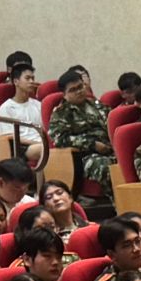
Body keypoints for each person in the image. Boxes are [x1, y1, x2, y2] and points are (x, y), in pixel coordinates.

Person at [48, 70, 116, 211]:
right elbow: (60, 139)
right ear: (64, 94)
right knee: (106, 166)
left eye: (80, 87)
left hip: (109, 150)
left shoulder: (98, 105)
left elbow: (113, 126)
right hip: (82, 157)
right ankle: (119, 205)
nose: (79, 91)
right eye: (73, 90)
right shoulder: (61, 113)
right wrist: (92, 144)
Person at [0, 66, 47, 166]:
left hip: (40, 142)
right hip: (21, 147)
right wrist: (36, 142)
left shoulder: (37, 104)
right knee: (45, 149)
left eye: (33, 78)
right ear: (16, 81)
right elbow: (8, 136)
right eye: (27, 78)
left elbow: (45, 127)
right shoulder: (6, 108)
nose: (32, 81)